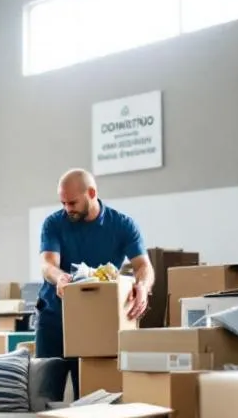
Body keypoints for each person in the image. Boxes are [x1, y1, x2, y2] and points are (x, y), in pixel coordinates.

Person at [35, 168, 153, 397]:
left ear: (91, 193)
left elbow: (144, 266)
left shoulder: (122, 225)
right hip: (54, 320)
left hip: (97, 324)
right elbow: (47, 264)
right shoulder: (54, 223)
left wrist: (143, 287)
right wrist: (59, 276)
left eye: (72, 203)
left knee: (91, 396)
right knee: (44, 396)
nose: (67, 209)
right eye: (63, 203)